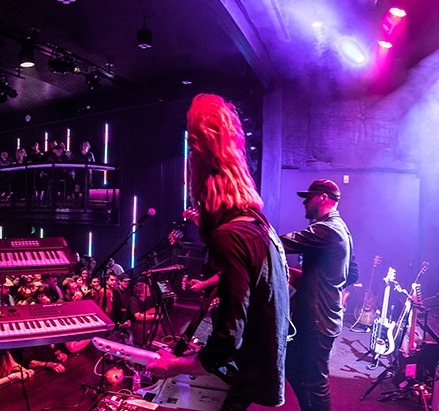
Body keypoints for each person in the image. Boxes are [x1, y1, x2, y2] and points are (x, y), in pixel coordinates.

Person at [147, 93, 290, 411]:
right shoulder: (256, 224)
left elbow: (227, 340)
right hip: (256, 368)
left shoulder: (231, 236)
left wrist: (174, 365)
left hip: (243, 372)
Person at [278, 179, 353, 411]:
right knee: (293, 368)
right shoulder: (342, 229)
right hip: (320, 318)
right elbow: (353, 274)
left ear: (322, 197)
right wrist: (313, 280)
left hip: (317, 322)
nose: (304, 203)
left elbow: (278, 244)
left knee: (313, 381)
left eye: (308, 197)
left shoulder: (327, 230)